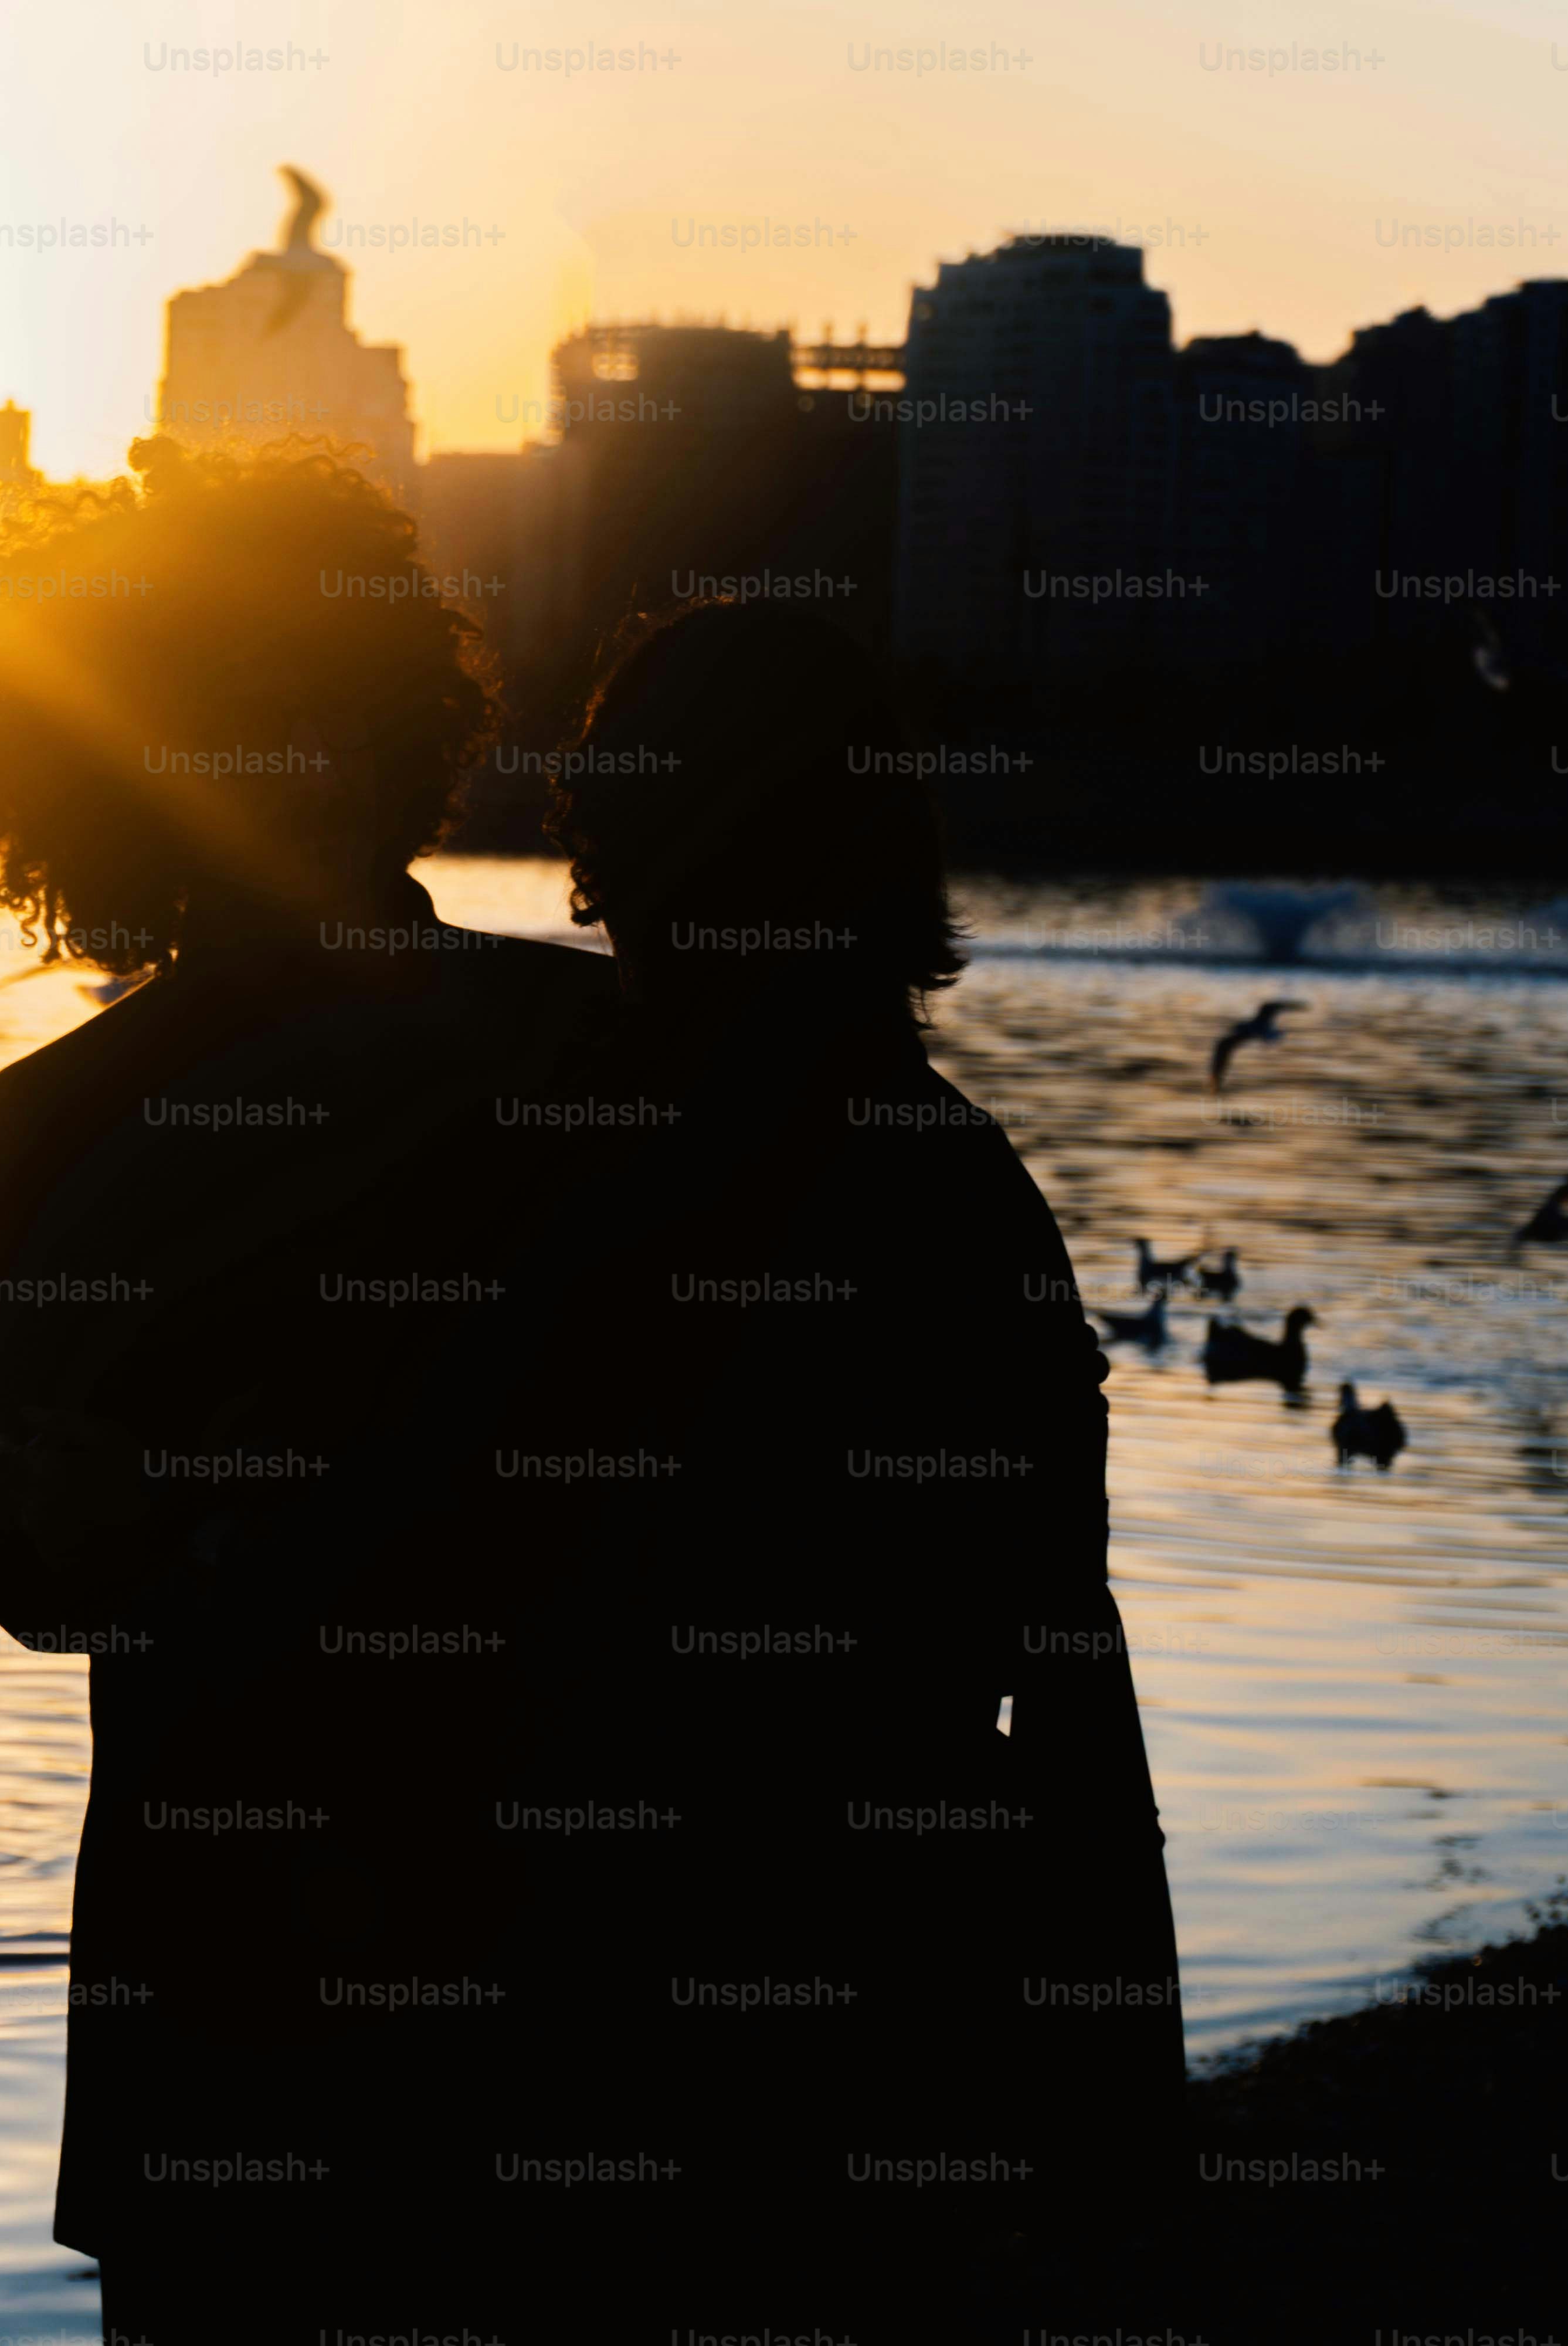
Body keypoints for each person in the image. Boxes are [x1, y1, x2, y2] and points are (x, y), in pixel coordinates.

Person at [0, 440, 618, 2340]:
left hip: (231, 2028)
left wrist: (177, 1507)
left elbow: (44, 1574)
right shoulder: (583, 1047)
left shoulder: (34, 1132)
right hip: (542, 2003)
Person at [491, 600, 1185, 2329]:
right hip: (888, 1997)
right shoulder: (957, 1192)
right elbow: (1064, 1652)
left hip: (566, 1996)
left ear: (619, 852)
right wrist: (1122, 2119)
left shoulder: (525, 1166)